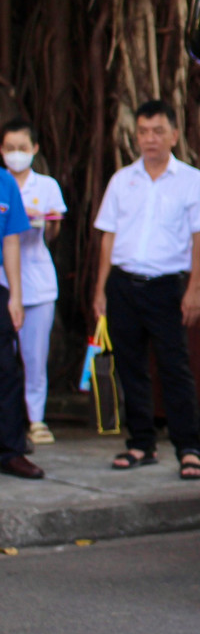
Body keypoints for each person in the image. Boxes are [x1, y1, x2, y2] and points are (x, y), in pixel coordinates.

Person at [93, 100, 200, 480]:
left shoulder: (192, 180)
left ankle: (189, 448)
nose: (149, 139)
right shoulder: (122, 179)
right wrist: (100, 289)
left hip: (166, 287)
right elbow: (108, 237)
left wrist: (194, 289)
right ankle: (140, 442)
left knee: (174, 367)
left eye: (157, 131)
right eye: (143, 131)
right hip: (123, 285)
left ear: (174, 135)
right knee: (129, 366)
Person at [1, 119, 66, 447]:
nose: (16, 155)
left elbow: (54, 230)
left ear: (35, 149)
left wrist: (43, 221)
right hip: (4, 283)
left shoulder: (47, 186)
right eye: (10, 148)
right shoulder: (1, 183)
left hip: (37, 281)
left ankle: (36, 419)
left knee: (34, 354)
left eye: (22, 149)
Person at [0, 166, 42, 479]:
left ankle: (11, 451)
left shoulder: (5, 182)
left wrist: (16, 295)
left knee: (7, 371)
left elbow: (11, 240)